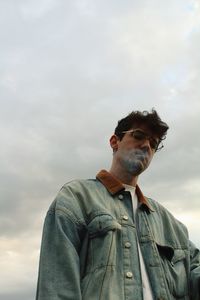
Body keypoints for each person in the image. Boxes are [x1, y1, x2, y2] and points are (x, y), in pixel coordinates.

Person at [36, 109, 200, 300]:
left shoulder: (169, 223)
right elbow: (57, 287)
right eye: (138, 135)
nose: (147, 145)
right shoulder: (76, 198)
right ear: (115, 142)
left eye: (154, 143)